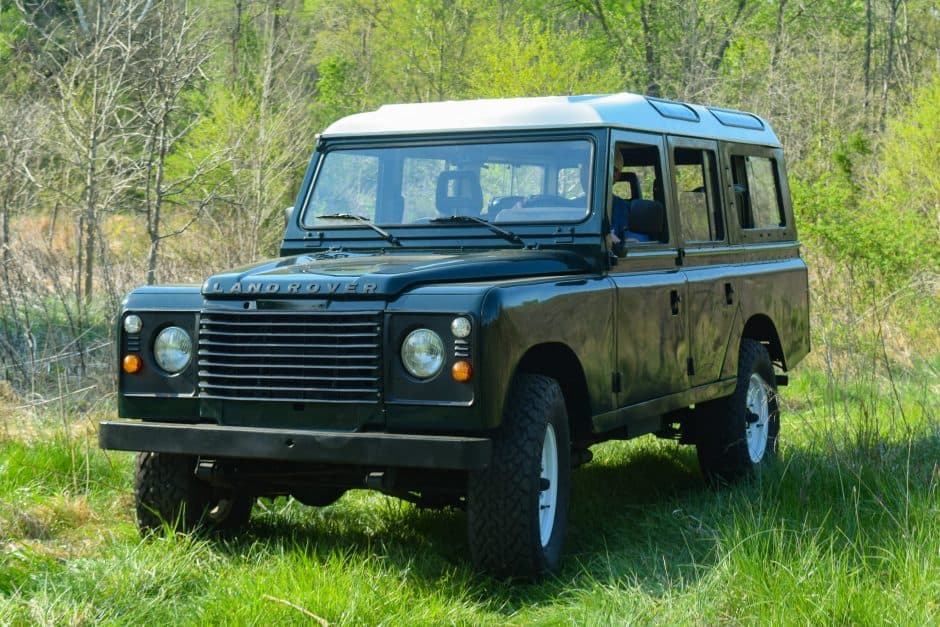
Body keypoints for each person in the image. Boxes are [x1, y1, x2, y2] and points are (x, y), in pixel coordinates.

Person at [608, 149, 649, 247]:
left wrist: (619, 241)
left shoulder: (622, 208)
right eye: (585, 167)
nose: (588, 172)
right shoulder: (566, 206)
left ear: (616, 175)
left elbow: (635, 238)